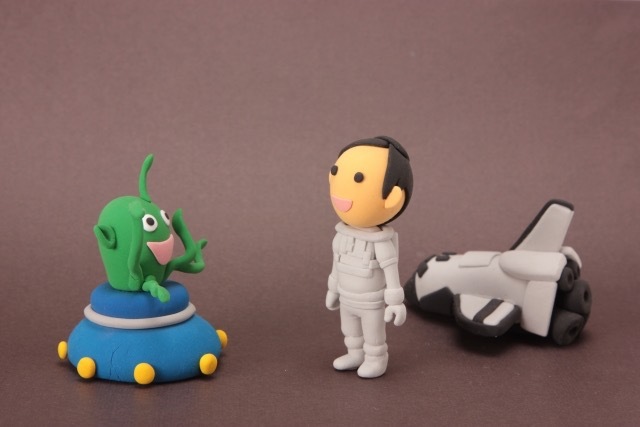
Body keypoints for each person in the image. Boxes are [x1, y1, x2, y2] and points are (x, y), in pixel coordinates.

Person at [326, 136, 413, 378]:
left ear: (393, 196)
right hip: (346, 296)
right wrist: (333, 288)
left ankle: (376, 358)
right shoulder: (341, 235)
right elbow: (336, 264)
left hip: (371, 300)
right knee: (350, 330)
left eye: (358, 179)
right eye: (336, 172)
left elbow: (391, 273)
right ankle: (355, 354)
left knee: (373, 334)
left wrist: (395, 302)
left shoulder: (381, 243)